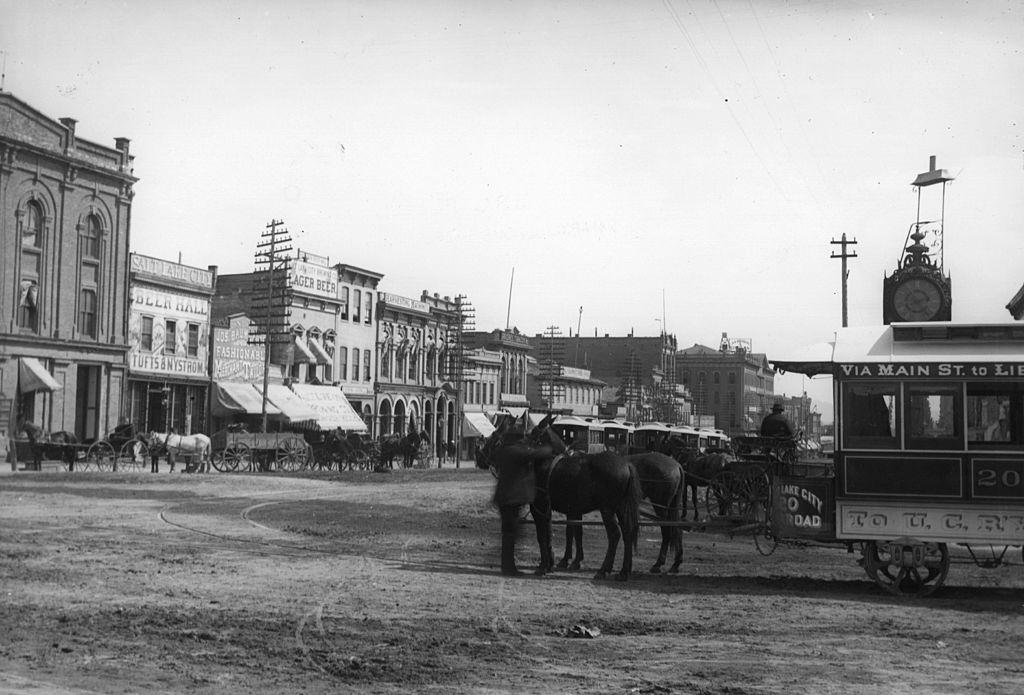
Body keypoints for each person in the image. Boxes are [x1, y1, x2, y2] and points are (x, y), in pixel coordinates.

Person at [491, 445, 537, 576]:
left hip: (505, 499)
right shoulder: (515, 451)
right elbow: (536, 453)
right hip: (510, 499)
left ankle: (507, 565)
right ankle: (508, 567)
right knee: (510, 534)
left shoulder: (504, 450)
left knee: (509, 534)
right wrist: (548, 449)